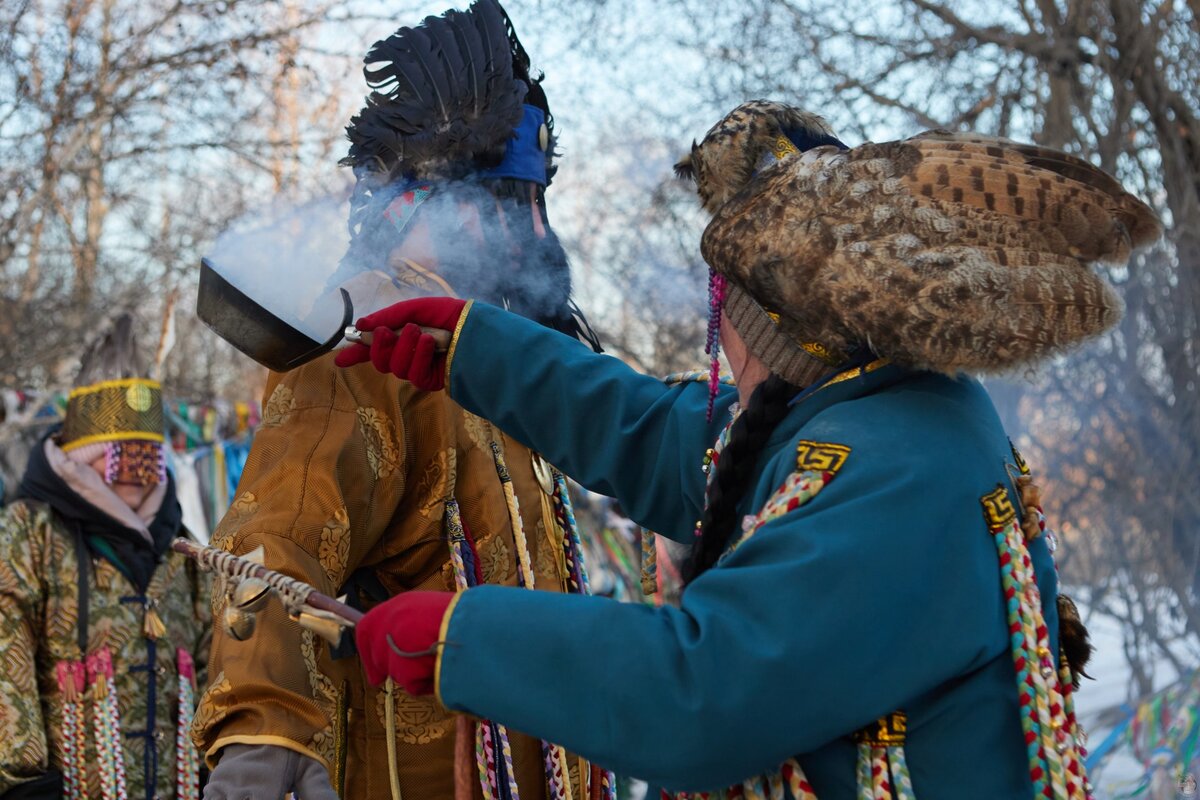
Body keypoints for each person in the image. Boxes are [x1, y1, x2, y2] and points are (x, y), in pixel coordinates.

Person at [336, 102, 1163, 798]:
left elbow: (702, 696)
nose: (715, 335)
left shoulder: (897, 473)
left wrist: (464, 636)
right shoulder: (865, 406)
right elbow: (671, 437)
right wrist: (477, 349)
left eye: (719, 305)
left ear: (770, 323)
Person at [192, 2, 603, 799]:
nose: (531, 230)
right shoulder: (369, 332)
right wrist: (264, 727)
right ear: (435, 202)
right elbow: (279, 537)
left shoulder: (495, 339)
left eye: (533, 203)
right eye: (507, 202)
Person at [0, 313, 211, 800]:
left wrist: (208, 769)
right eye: (119, 457)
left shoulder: (182, 548)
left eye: (149, 458)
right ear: (80, 457)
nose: (135, 474)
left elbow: (207, 667)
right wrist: (23, 784)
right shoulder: (29, 534)